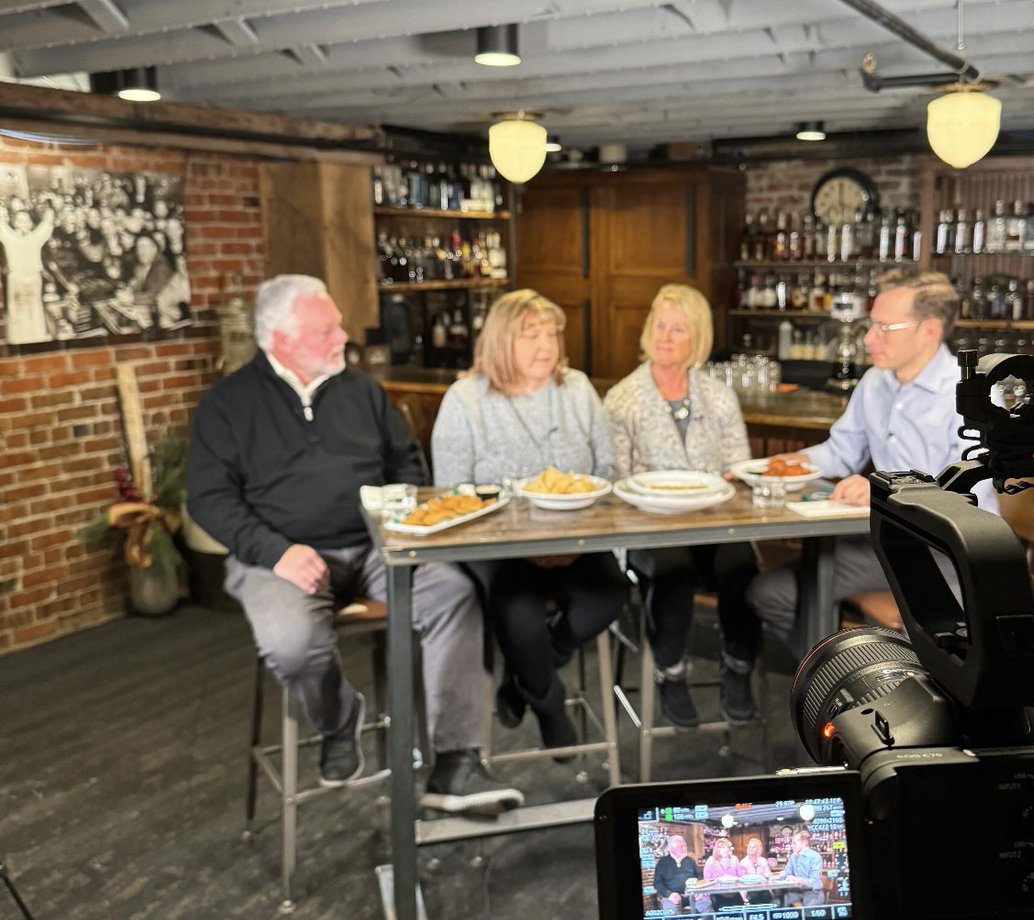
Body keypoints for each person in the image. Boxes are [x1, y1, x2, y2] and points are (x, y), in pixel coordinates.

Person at [187, 274, 522, 815]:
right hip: (279, 557)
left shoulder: (362, 392)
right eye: (327, 329)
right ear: (281, 339)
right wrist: (276, 552)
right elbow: (209, 499)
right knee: (292, 642)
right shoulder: (228, 405)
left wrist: (402, 518)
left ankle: (456, 762)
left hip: (374, 546)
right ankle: (340, 720)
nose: (343, 336)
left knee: (455, 593)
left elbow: (405, 461)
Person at [746, 269, 999, 657]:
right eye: (871, 325)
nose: (868, 339)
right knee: (768, 593)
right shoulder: (875, 383)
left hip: (952, 552)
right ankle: (844, 684)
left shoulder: (971, 394)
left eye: (884, 327)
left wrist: (888, 491)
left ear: (929, 330)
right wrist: (791, 462)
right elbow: (841, 451)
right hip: (885, 542)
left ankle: (874, 682)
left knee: (927, 630)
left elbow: (972, 491)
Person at [431, 288, 627, 753]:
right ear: (501, 342)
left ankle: (524, 675)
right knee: (517, 610)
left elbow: (608, 469)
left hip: (575, 538)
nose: (546, 346)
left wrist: (568, 538)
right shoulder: (465, 399)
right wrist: (524, 544)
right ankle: (549, 701)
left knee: (610, 596)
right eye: (531, 336)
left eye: (552, 334)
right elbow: (452, 493)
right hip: (497, 546)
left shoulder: (577, 388)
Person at [603, 283, 760, 730]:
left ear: (698, 338)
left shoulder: (718, 395)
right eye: (659, 326)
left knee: (742, 566)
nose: (665, 337)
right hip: (649, 529)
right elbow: (615, 482)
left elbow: (739, 467)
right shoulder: (622, 399)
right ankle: (670, 671)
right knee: (673, 569)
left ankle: (738, 666)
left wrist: (730, 480)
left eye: (678, 329)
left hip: (714, 524)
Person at [0, 206, 55, 344]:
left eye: (26, 221)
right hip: (16, 280)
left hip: (33, 279)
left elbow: (48, 222)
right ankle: (18, 341)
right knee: (16, 313)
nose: (22, 224)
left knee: (35, 310)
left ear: (31, 223)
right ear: (14, 223)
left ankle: (37, 340)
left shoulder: (36, 238)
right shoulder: (9, 237)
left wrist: (49, 205)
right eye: (19, 221)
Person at [653, 834, 700, 915]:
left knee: (706, 904)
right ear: (671, 849)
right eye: (681, 847)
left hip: (692, 894)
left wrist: (699, 892)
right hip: (672, 896)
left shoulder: (690, 861)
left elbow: (700, 877)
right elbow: (657, 883)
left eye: (685, 846)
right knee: (672, 913)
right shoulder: (663, 862)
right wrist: (669, 894)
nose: (685, 848)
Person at [783, 827, 825, 907]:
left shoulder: (815, 857)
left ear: (804, 843)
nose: (791, 846)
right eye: (792, 843)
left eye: (794, 843)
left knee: (807, 910)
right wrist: (772, 877)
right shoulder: (793, 857)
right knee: (780, 904)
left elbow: (814, 881)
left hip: (813, 892)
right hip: (796, 891)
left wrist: (797, 880)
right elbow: (786, 873)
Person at [702, 836, 745, 911]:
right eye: (722, 847)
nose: (725, 850)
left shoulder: (734, 859)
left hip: (734, 892)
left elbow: (741, 876)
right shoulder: (711, 861)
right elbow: (707, 880)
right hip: (717, 893)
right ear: (717, 849)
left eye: (727, 847)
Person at [739, 836, 775, 905]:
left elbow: (768, 875)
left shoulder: (763, 861)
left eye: (753, 847)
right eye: (749, 847)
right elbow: (741, 880)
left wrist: (765, 878)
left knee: (767, 897)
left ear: (758, 849)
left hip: (763, 888)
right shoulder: (743, 862)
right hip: (749, 890)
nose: (750, 849)